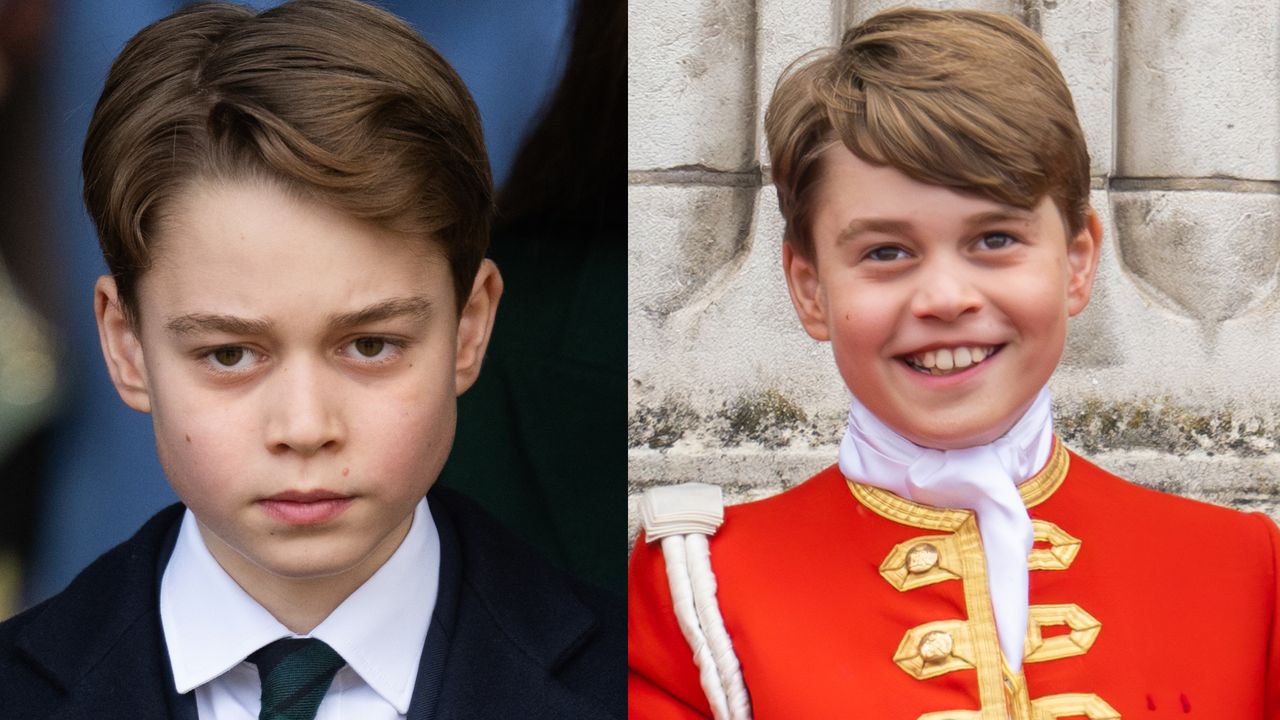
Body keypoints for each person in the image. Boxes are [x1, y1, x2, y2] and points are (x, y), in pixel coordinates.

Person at [628, 8, 1280, 719]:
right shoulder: (698, 594)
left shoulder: (1244, 575)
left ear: (1077, 262)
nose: (944, 298)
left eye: (995, 238)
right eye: (885, 252)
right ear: (810, 289)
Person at [0, 1, 623, 718]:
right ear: (126, 345)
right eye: (229, 353)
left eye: (369, 345)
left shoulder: (620, 682)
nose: (304, 426)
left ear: (471, 326)